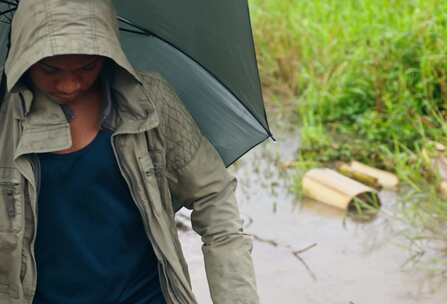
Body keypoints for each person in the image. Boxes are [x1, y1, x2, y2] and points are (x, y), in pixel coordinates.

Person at [0, 1, 259, 303]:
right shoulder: (6, 122)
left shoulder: (150, 102)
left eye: (87, 66)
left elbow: (214, 196)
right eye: (50, 69)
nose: (69, 84)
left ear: (108, 53)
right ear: (21, 55)